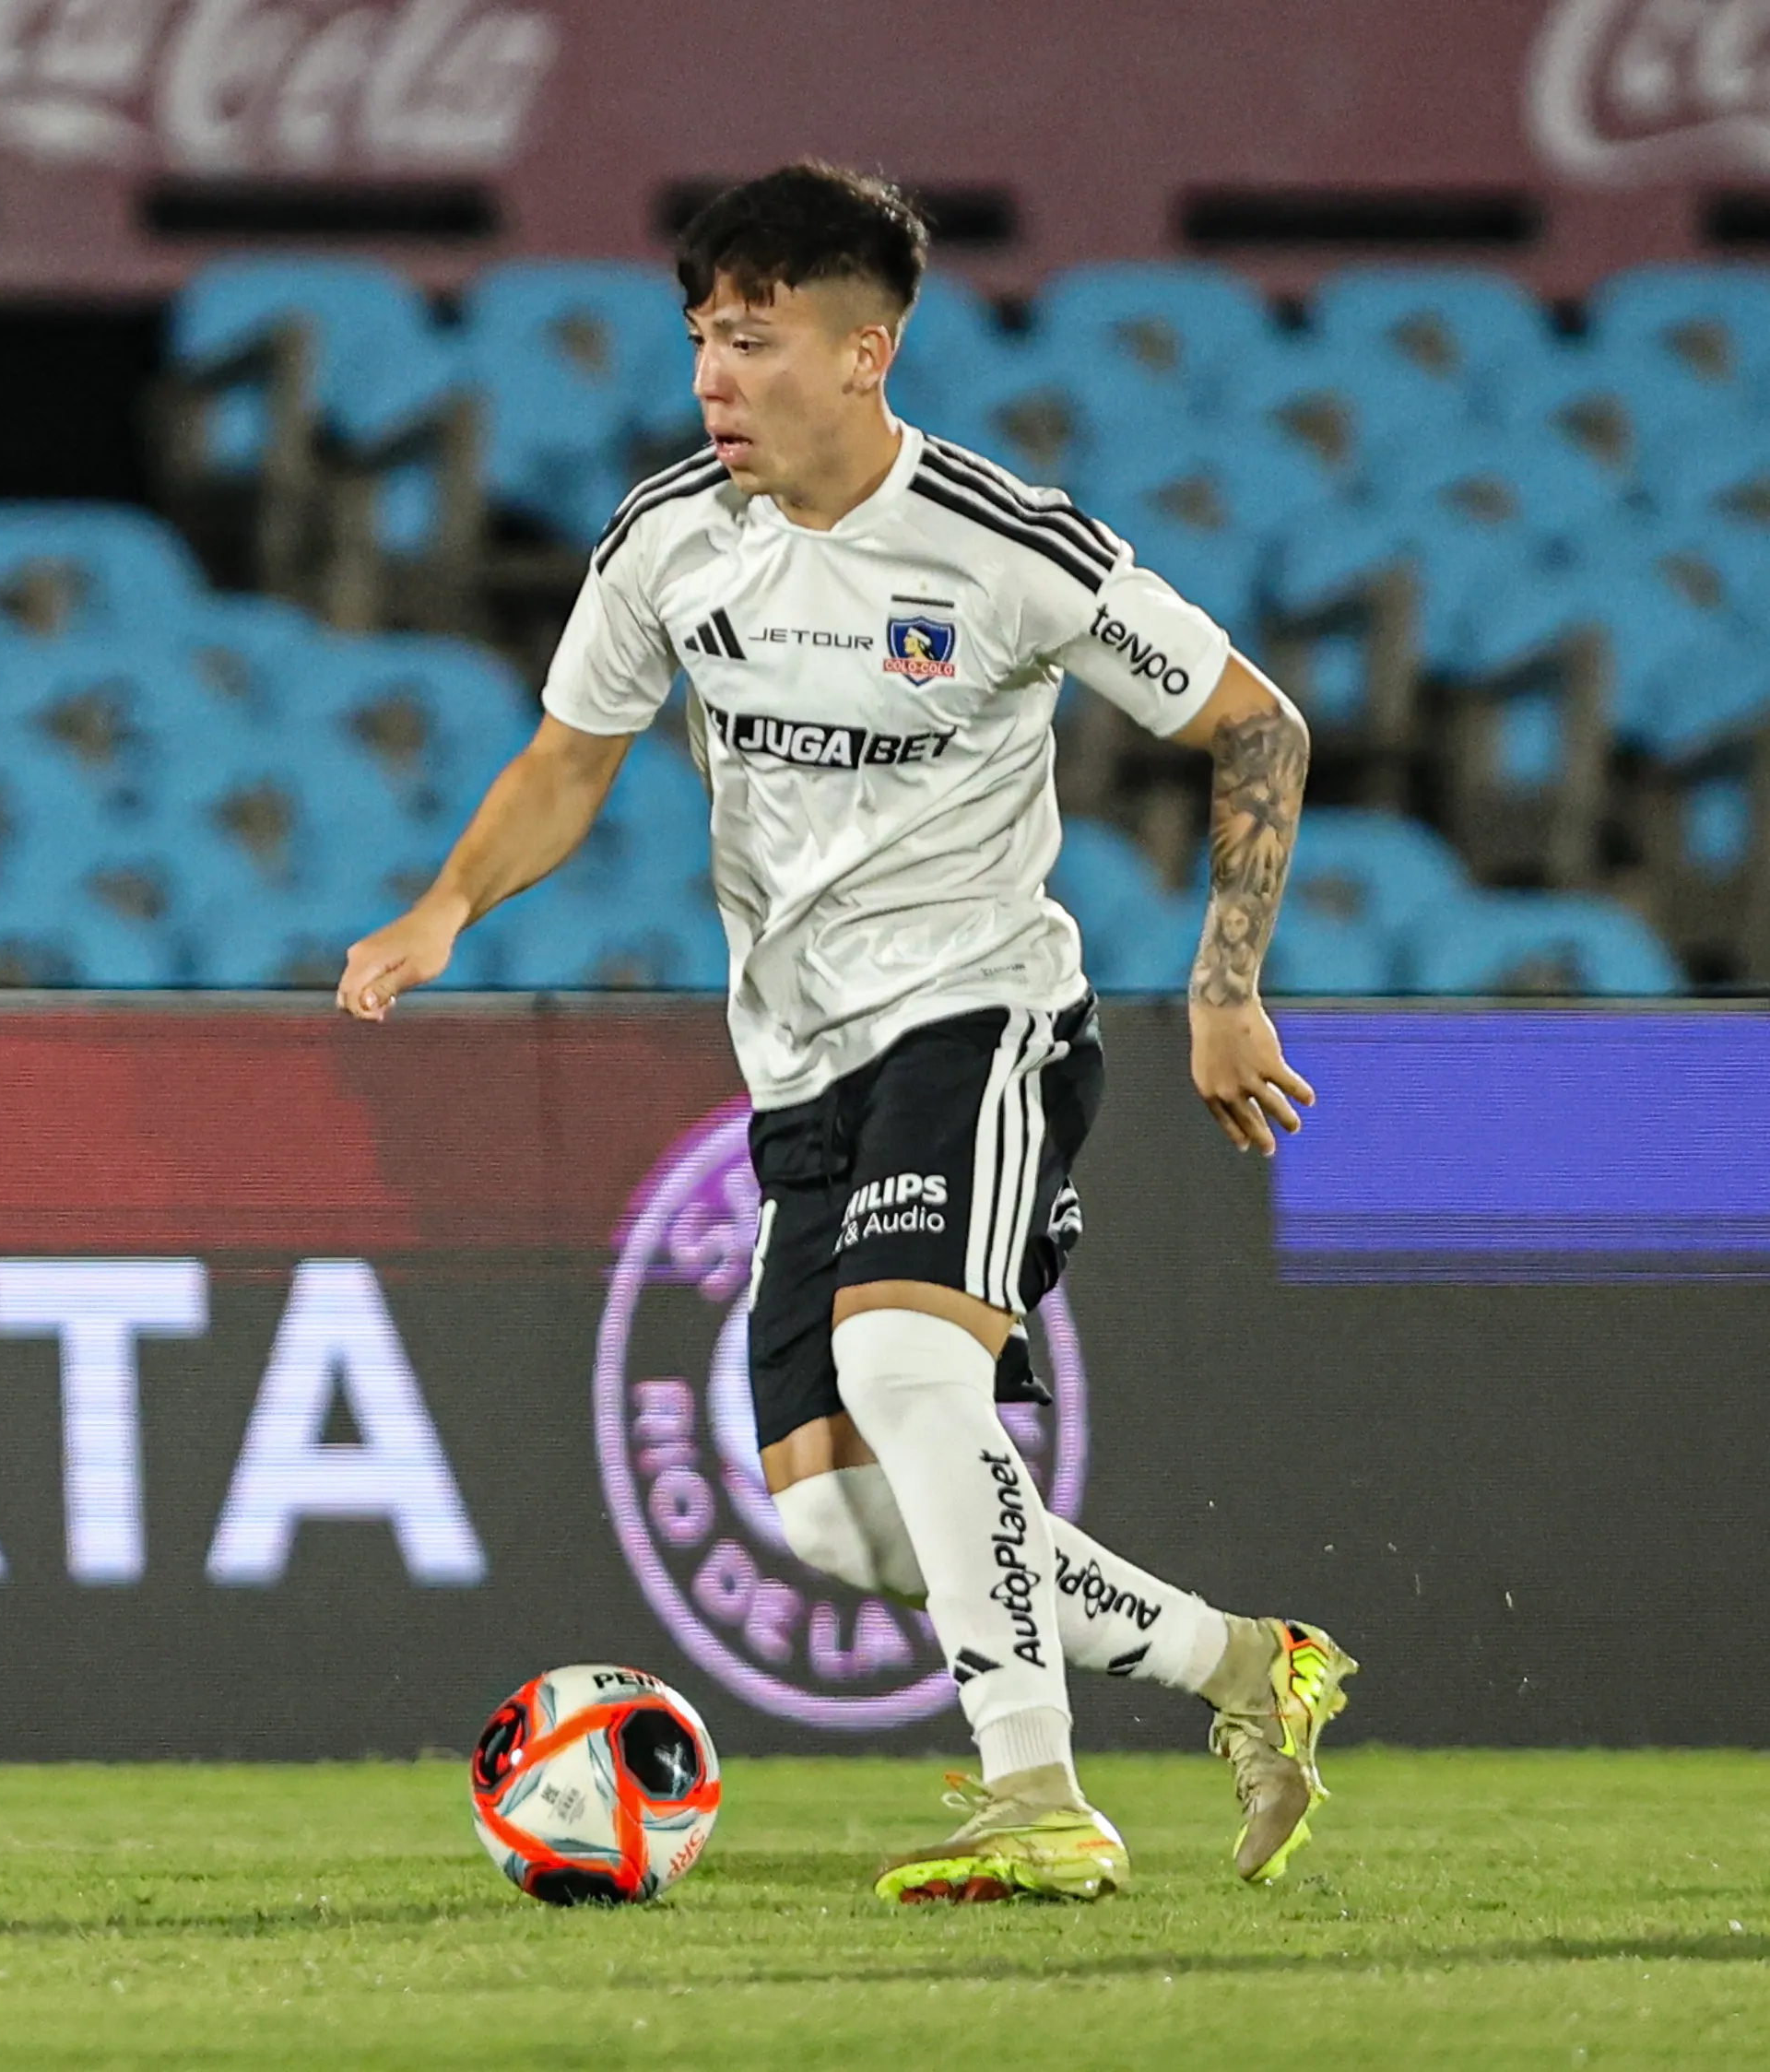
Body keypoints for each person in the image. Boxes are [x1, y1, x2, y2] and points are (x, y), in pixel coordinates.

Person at [338, 163, 1356, 1905]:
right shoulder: (669, 538)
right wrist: (447, 906)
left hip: (982, 1020)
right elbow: (570, 761)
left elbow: (1259, 727)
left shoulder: (1003, 542)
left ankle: (1038, 1798)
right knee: (835, 1517)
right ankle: (1247, 1667)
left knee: (904, 1374)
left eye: (752, 340)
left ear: (867, 351)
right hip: (799, 1069)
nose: (710, 379)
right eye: (700, 340)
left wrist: (1224, 983)